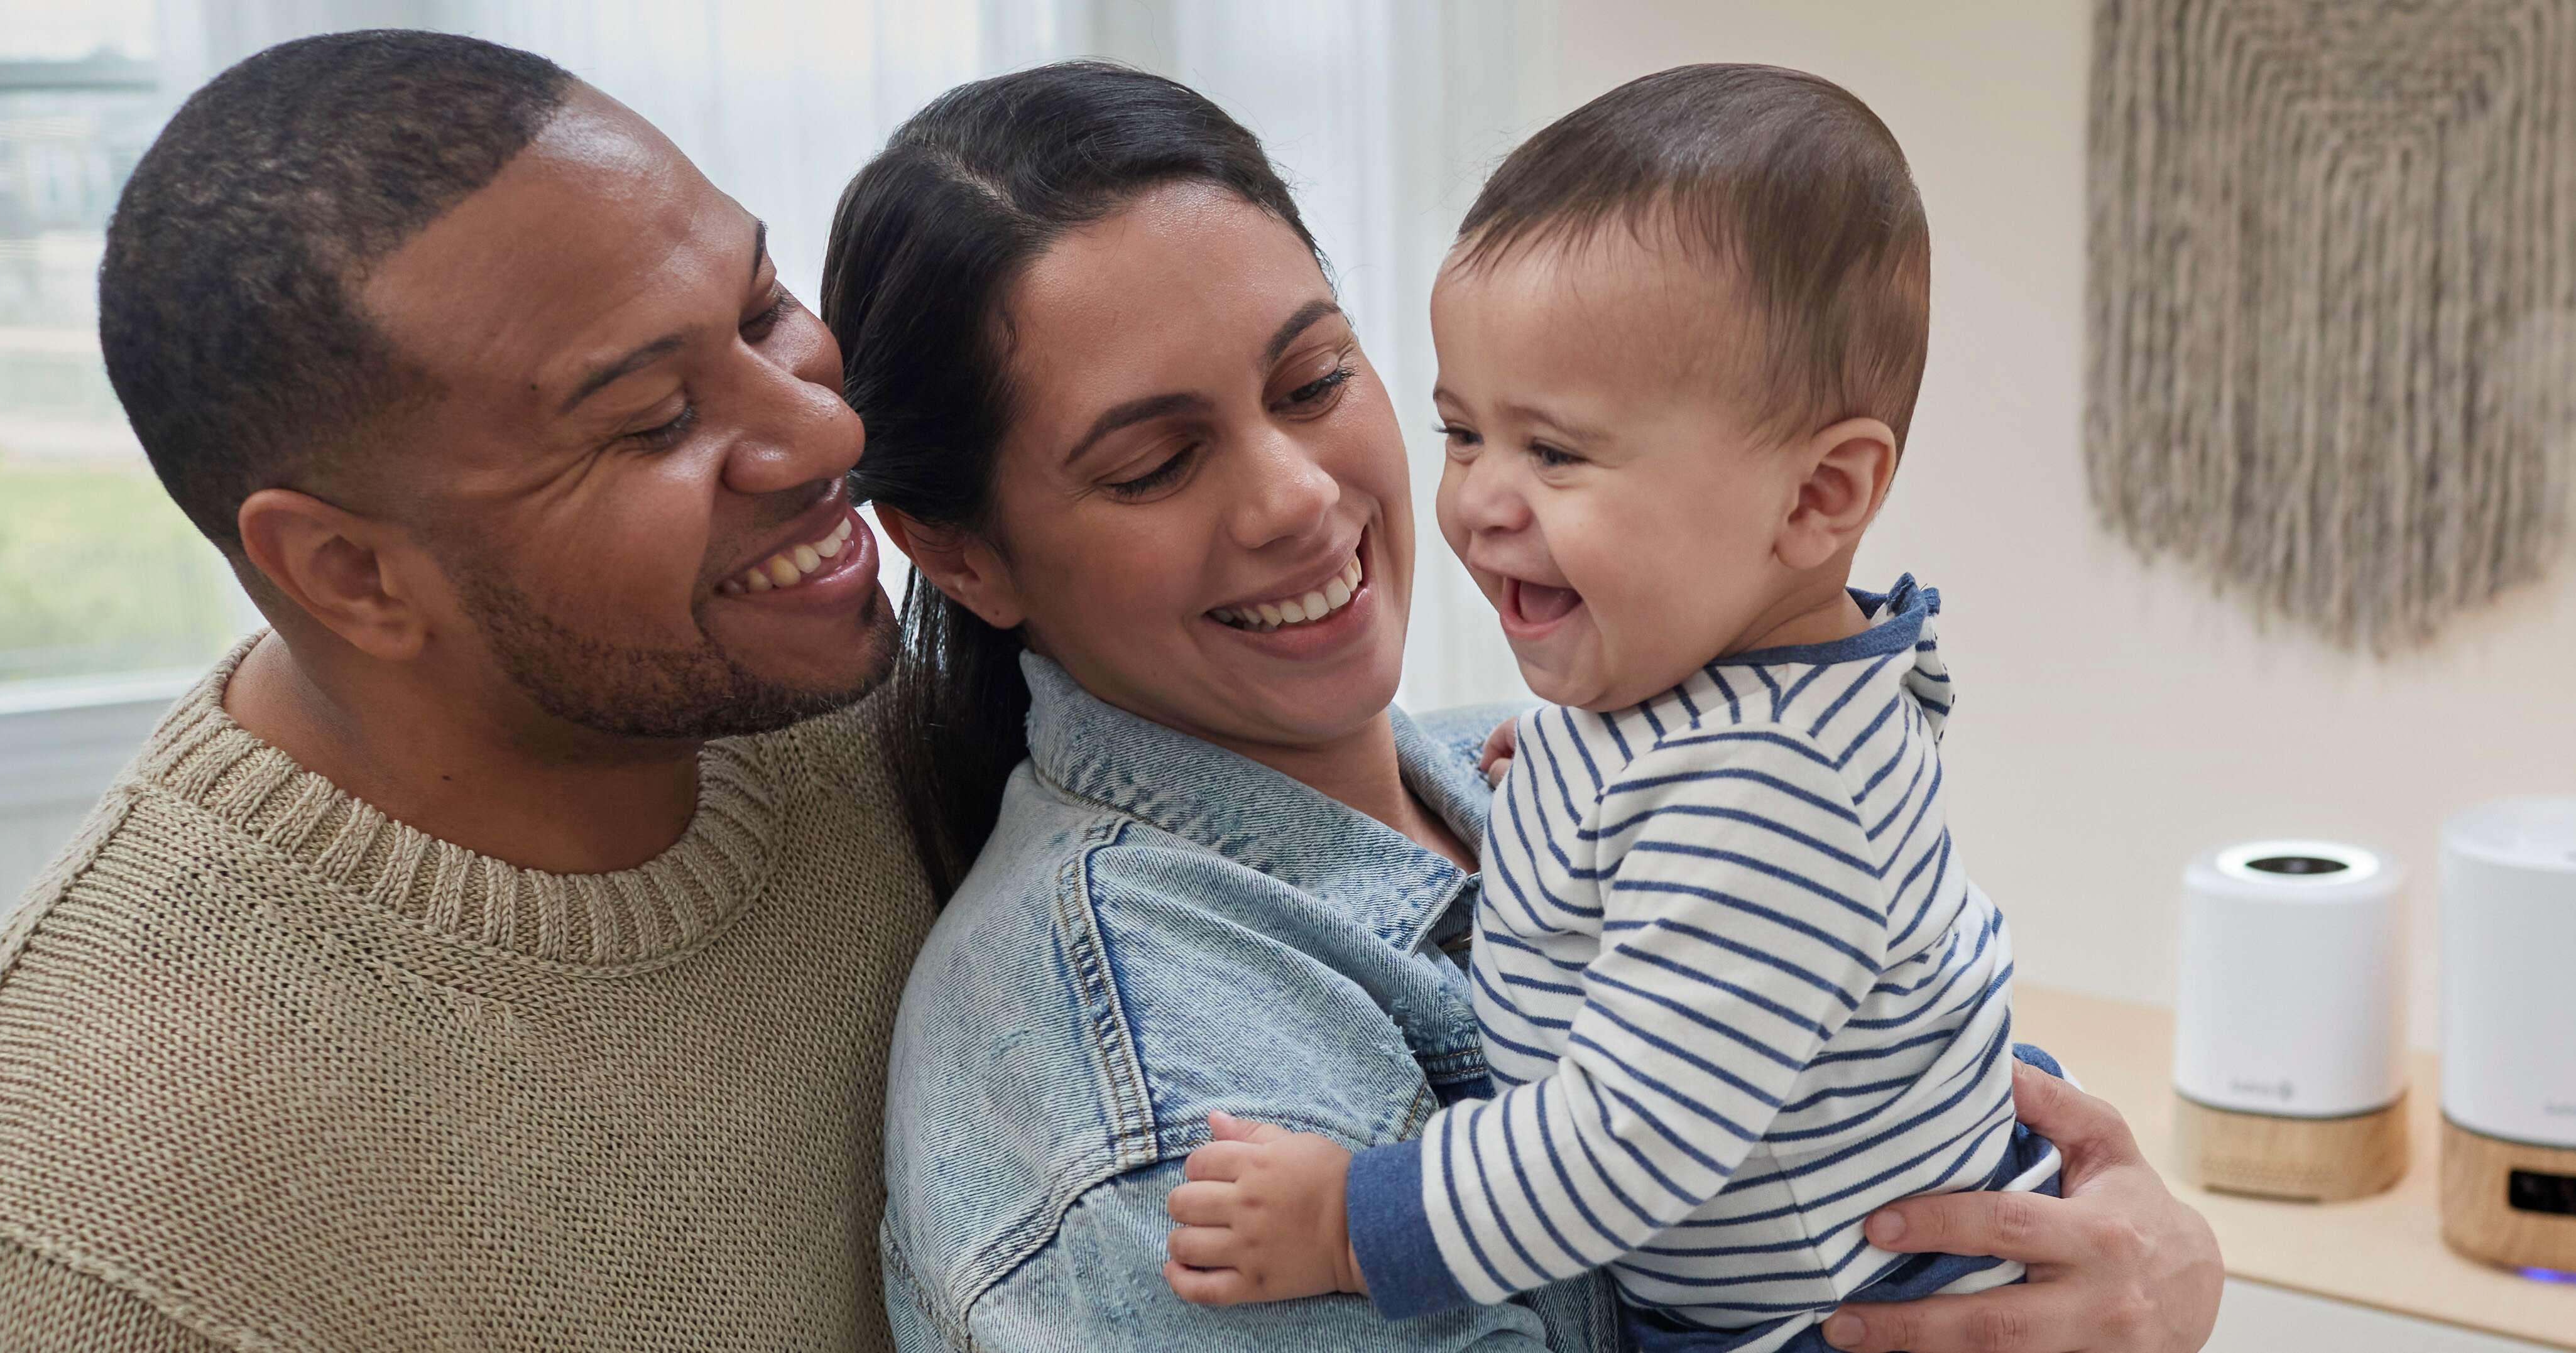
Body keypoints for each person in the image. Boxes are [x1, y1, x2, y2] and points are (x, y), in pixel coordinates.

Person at [844, 61, 2224, 1353]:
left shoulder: (1575, 764)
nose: (1301, 498)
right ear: (958, 552)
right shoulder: (1154, 1108)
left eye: (1315, 379)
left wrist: (2157, 1265)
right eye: (1155, 462)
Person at [0, 30, 929, 1351]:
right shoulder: (79, 1238)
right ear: (352, 573)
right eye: (650, 422)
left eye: (761, 309)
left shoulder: (854, 706)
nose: (827, 432)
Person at [1159, 64, 2054, 1353]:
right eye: (1462, 433)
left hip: (1835, 1316)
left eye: (1558, 452)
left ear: (1817, 499)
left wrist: (1353, 1226)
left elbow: (1629, 1138)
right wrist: (1581, 771)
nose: (1478, 502)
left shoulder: (1763, 791)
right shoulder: (1707, 694)